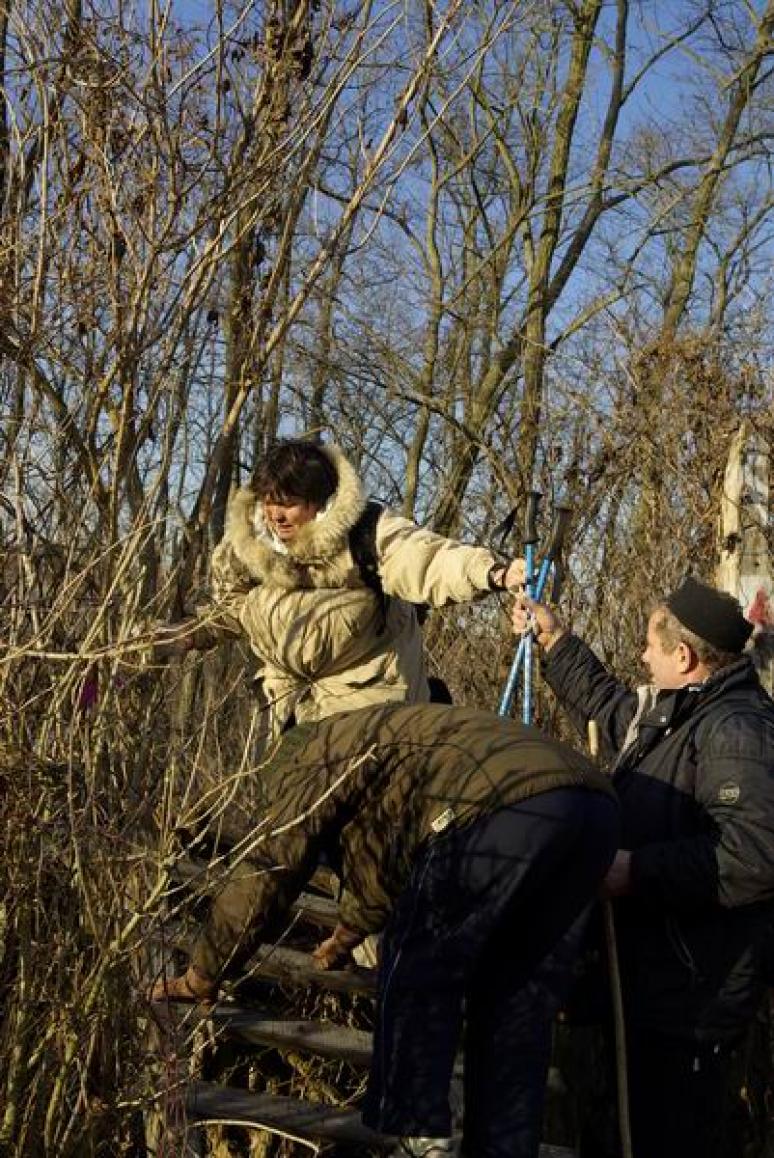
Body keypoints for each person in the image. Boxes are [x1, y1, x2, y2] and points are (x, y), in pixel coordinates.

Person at [151, 701, 620, 1158]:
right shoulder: (381, 738)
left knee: (417, 957)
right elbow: (379, 872)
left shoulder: (313, 760)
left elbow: (270, 869)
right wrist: (347, 934)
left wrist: (205, 970)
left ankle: (418, 1137)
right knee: (516, 999)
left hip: (504, 807)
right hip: (593, 812)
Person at [512, 575, 774, 1158]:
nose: (641, 656)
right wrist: (555, 642)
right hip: (647, 986)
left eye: (650, 646)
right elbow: (610, 705)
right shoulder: (682, 712)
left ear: (683, 656)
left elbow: (754, 855)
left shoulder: (736, 730)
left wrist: (632, 871)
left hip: (689, 1002)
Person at [156, 439, 524, 738]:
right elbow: (230, 609)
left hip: (377, 717)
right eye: (269, 502)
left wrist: (495, 573)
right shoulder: (249, 545)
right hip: (292, 716)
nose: (276, 515)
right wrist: (191, 634)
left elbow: (429, 560)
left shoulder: (366, 534)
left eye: (289, 505)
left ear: (319, 503)